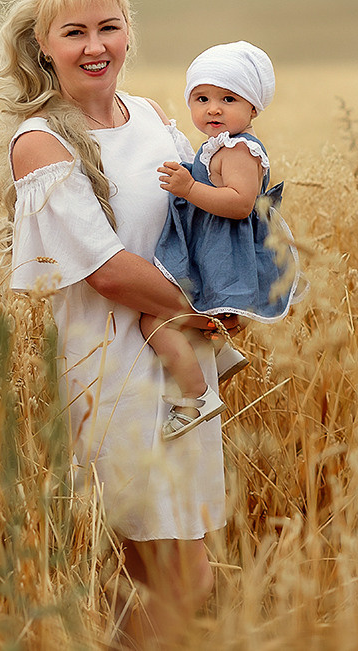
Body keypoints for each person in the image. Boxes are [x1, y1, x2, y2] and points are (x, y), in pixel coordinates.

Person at [0, 0, 229, 647]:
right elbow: (109, 271)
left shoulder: (153, 116)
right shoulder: (41, 141)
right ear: (43, 45)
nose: (95, 47)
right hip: (111, 373)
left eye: (109, 27)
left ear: (128, 33)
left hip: (181, 360)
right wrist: (201, 303)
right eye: (74, 33)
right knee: (157, 571)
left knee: (185, 572)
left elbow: (198, 222)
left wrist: (235, 283)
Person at [140, 41, 301, 442]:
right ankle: (221, 355)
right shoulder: (219, 144)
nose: (213, 108)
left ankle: (195, 397)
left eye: (228, 98)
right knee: (185, 311)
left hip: (225, 254)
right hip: (212, 249)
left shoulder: (241, 149)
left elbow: (241, 203)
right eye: (202, 97)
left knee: (153, 319)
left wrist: (189, 187)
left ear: (253, 109)